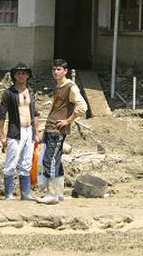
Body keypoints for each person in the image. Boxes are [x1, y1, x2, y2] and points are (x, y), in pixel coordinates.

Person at [36, 58, 88, 204]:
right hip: (50, 128)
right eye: (54, 69)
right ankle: (58, 193)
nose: (55, 72)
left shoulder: (70, 87)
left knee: (49, 160)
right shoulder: (58, 87)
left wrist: (68, 121)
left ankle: (51, 194)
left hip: (57, 129)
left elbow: (82, 107)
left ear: (65, 71)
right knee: (56, 161)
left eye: (59, 69)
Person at [0, 62, 39, 200]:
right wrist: (1, 134)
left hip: (29, 131)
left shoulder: (31, 91)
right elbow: (2, 115)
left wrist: (36, 133)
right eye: (18, 73)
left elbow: (35, 114)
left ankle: (25, 194)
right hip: (15, 132)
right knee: (10, 163)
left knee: (26, 164)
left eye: (24, 73)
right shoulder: (9, 93)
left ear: (28, 75)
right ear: (14, 76)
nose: (21, 76)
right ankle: (9, 194)